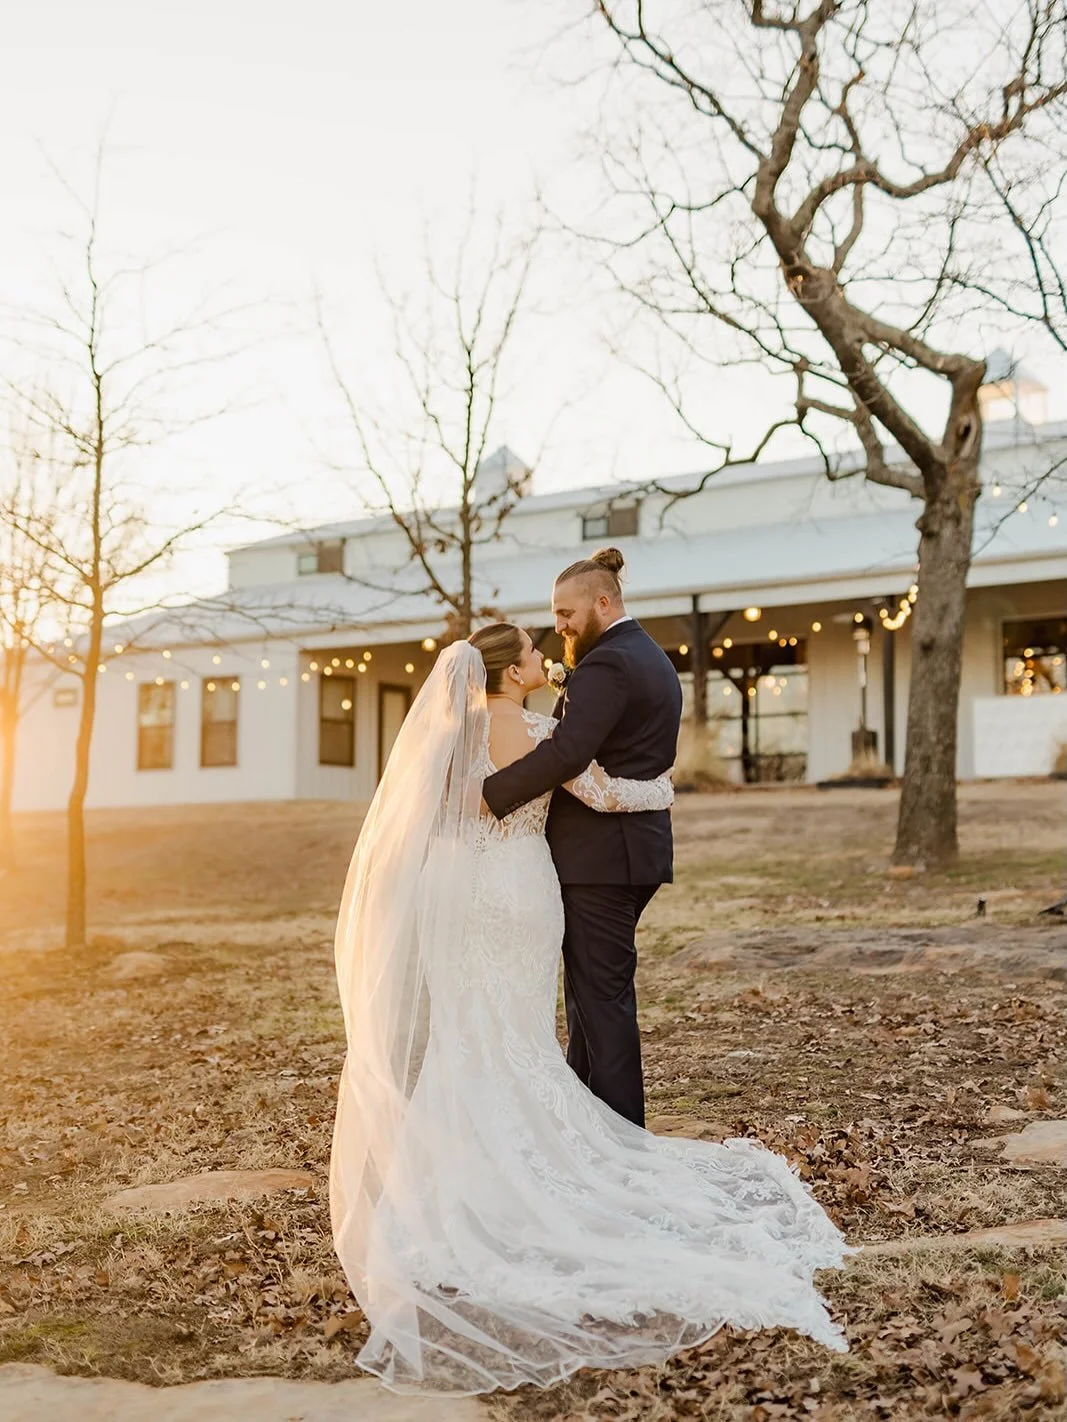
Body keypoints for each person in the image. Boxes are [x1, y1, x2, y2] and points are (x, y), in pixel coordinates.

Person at [330, 576, 850, 1397]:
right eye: (534, 650)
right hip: (518, 895)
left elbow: (452, 813)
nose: (547, 650)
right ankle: (565, 1159)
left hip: (475, 893)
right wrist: (665, 789)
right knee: (517, 1032)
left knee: (477, 1032)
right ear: (508, 674)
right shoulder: (533, 729)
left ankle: (458, 1169)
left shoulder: (467, 731)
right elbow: (596, 788)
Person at [481, 548, 681, 1128]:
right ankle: (590, 1128)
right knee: (592, 1001)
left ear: (602, 601)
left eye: (567, 613)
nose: (560, 626)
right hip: (629, 853)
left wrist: (488, 796)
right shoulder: (650, 657)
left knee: (602, 1004)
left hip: (602, 861)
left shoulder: (610, 664)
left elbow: (569, 752)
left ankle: (623, 1140)